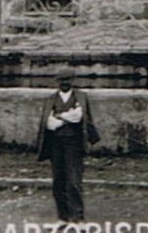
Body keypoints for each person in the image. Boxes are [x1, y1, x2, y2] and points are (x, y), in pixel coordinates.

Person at [35, 68, 100, 223]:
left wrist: (60, 117)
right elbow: (48, 123)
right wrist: (68, 117)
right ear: (57, 81)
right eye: (61, 80)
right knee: (58, 181)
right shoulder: (50, 99)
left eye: (68, 79)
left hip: (74, 144)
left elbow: (82, 118)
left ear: (73, 80)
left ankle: (77, 218)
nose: (65, 83)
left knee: (74, 181)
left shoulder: (81, 97)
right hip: (56, 144)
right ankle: (63, 217)